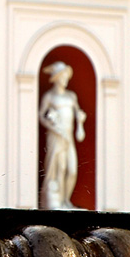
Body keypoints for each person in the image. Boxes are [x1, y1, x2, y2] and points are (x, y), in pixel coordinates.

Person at [39, 61, 86, 209]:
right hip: (56, 136)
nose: (66, 79)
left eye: (66, 76)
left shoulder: (71, 96)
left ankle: (66, 200)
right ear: (57, 77)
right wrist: (52, 127)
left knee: (72, 170)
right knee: (60, 168)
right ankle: (58, 203)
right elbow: (41, 115)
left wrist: (80, 120)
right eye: (63, 76)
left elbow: (78, 113)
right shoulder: (49, 96)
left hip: (68, 137)